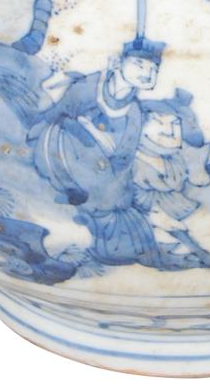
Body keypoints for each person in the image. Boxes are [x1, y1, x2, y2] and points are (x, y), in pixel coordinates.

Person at [27, 37, 164, 266]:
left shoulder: (133, 112)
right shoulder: (91, 86)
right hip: (67, 147)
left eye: (153, 69)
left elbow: (124, 157)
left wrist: (112, 179)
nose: (147, 73)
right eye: (139, 64)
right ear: (117, 62)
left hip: (103, 168)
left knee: (114, 203)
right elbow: (60, 111)